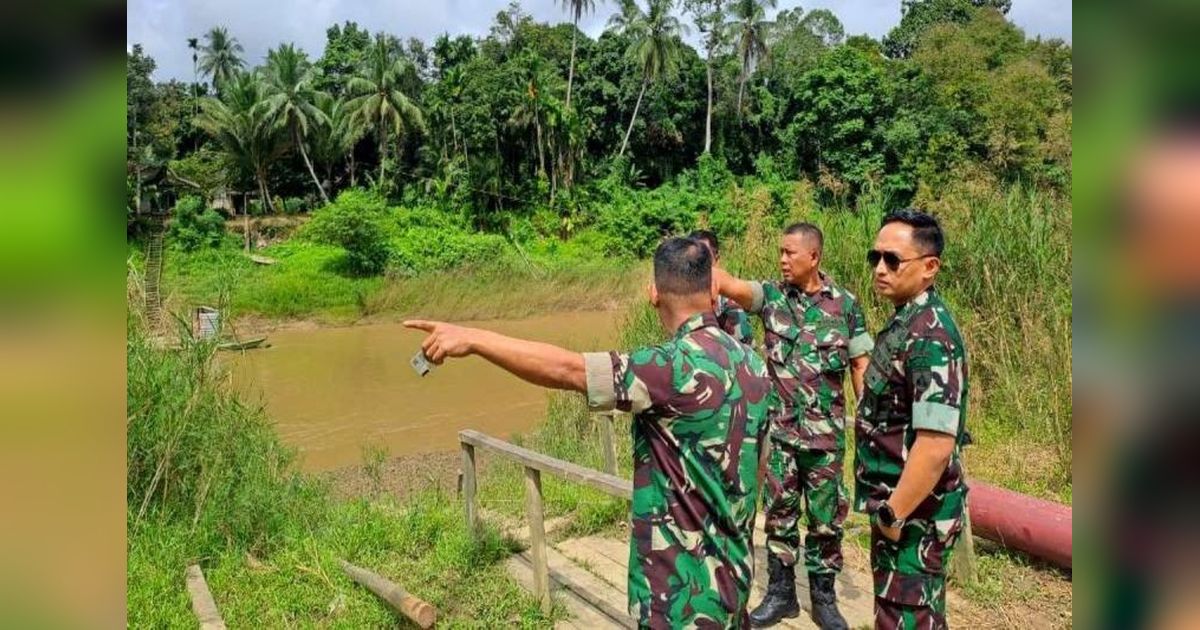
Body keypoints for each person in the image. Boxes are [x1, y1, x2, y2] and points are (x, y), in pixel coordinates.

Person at [405, 237, 772, 628]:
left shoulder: (668, 367)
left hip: (682, 599)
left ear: (653, 293)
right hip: (735, 583)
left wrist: (474, 339)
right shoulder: (752, 363)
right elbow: (760, 469)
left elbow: (568, 369)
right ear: (711, 288)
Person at [713, 223, 872, 629]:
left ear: (814, 257)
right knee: (780, 515)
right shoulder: (771, 297)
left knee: (825, 521)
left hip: (825, 440)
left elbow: (859, 365)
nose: (782, 260)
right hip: (781, 436)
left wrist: (870, 423)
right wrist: (689, 264)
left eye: (790, 253)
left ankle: (824, 600)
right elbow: (729, 284)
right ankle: (782, 595)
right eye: (780, 252)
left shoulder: (846, 306)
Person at [855, 209, 968, 630]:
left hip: (914, 518)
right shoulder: (907, 320)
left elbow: (936, 446)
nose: (880, 269)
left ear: (929, 268)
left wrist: (891, 516)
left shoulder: (930, 338)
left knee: (907, 618)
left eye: (892, 260)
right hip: (901, 510)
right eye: (875, 258)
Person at [688, 229, 755, 346]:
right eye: (692, 260)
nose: (698, 265)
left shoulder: (729, 306)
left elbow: (747, 357)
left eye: (704, 259)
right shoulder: (682, 299)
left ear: (716, 259)